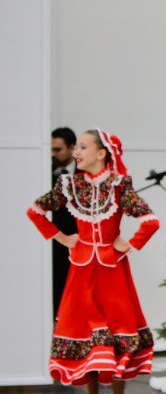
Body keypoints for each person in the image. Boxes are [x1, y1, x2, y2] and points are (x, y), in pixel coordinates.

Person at [27, 129, 158, 394]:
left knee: (115, 339)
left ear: (101, 153)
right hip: (81, 273)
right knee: (86, 340)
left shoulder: (118, 186)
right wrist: (63, 238)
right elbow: (35, 211)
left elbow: (150, 220)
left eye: (83, 147)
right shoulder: (68, 185)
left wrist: (127, 244)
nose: (77, 153)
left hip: (112, 274)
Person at [50, 127, 78, 319]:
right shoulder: (43, 171)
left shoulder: (85, 172)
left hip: (79, 240)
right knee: (55, 287)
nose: (54, 154)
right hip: (53, 241)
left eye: (58, 149)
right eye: (52, 149)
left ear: (71, 148)